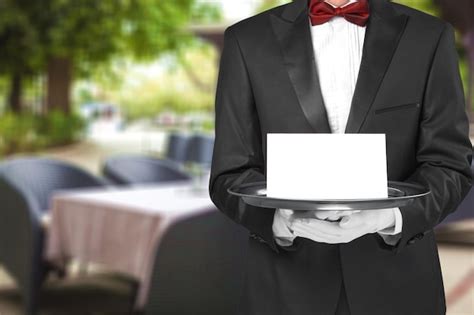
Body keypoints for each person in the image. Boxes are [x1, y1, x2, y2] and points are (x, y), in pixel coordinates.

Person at [208, 0, 473, 314]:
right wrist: (280, 220)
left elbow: (451, 165)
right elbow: (229, 172)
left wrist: (390, 217)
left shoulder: (429, 36)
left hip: (399, 287)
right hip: (284, 289)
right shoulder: (246, 39)